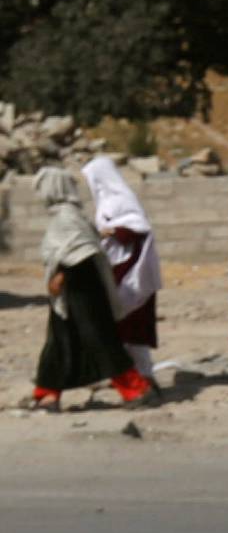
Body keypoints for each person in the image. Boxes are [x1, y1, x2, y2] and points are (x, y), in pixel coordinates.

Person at [29, 168, 151, 411]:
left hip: (81, 289)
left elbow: (81, 252)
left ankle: (135, 388)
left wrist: (61, 275)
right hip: (71, 290)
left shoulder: (67, 217)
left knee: (99, 337)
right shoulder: (68, 215)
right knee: (60, 339)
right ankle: (47, 393)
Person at [83, 154, 163, 388]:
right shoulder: (107, 201)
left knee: (133, 326)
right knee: (117, 325)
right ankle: (123, 373)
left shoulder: (121, 199)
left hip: (130, 272)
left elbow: (138, 227)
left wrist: (112, 232)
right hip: (114, 268)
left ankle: (144, 375)